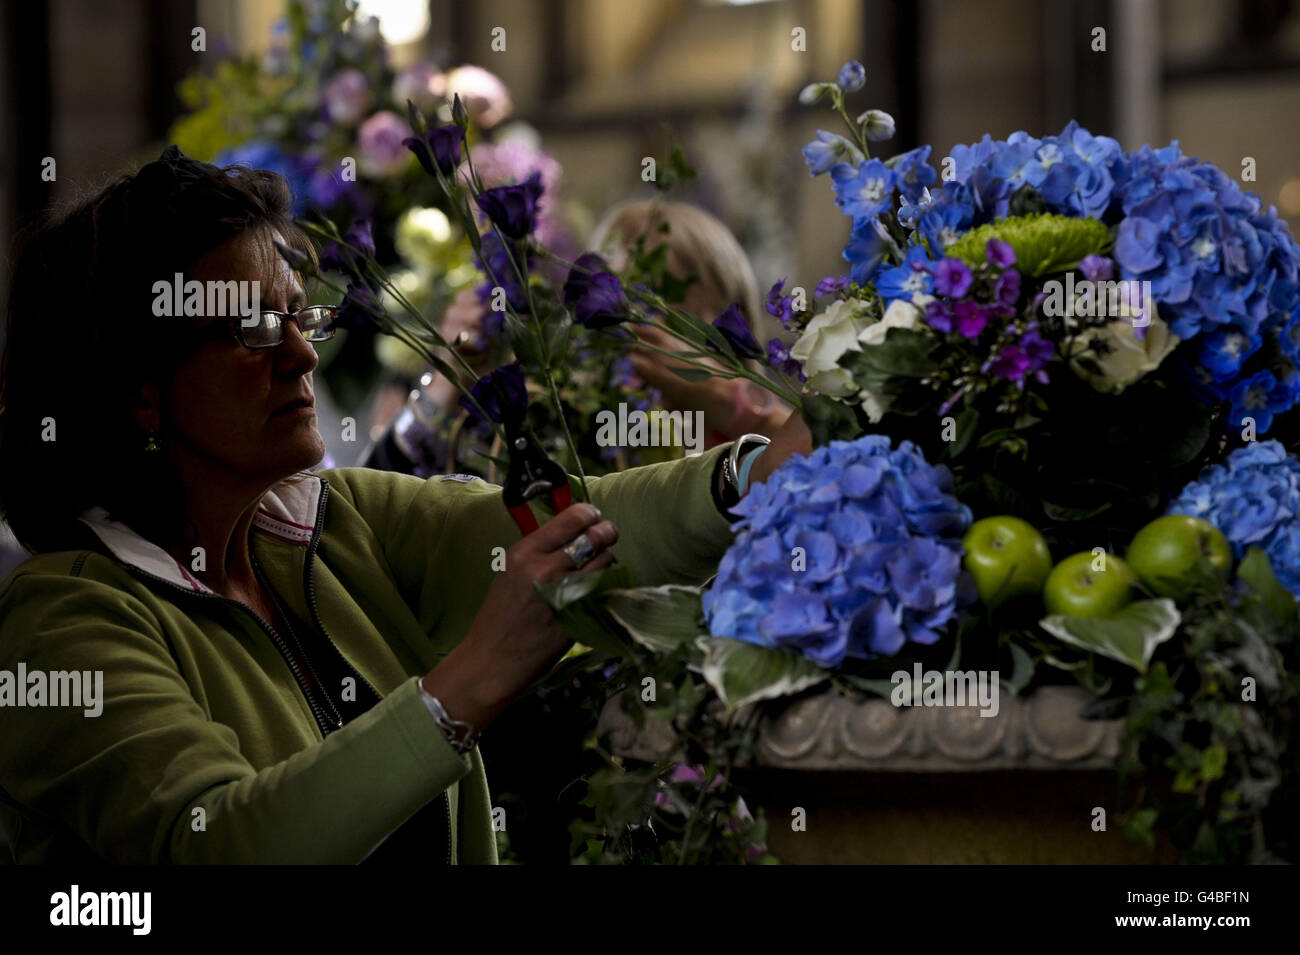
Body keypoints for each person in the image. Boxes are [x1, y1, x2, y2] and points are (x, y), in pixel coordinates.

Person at [0, 146, 810, 864]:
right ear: (141, 392)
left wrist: (753, 476)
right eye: (252, 329)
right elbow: (223, 838)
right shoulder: (64, 622)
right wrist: (464, 685)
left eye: (298, 314)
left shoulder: (332, 524)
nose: (301, 354)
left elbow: (573, 521)